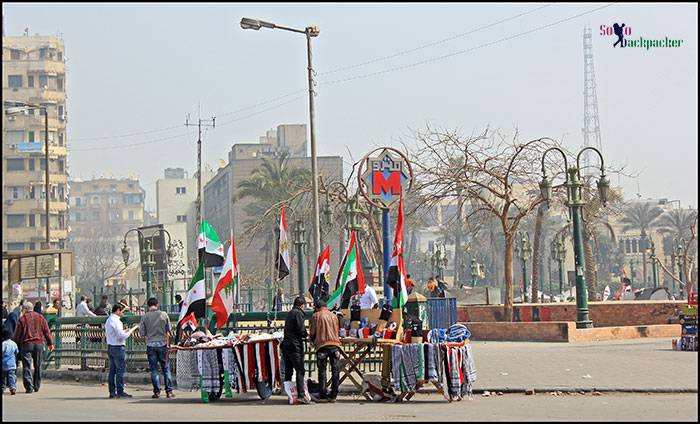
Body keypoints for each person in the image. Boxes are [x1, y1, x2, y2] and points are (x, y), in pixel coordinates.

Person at [13, 302, 54, 393]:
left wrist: (14, 344)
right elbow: (47, 331)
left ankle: (29, 387)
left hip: (26, 344)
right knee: (38, 365)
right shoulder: (41, 317)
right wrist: (50, 343)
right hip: (39, 344)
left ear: (24, 309)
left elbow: (17, 335)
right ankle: (37, 386)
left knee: (27, 366)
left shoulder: (22, 319)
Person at [139, 297, 174, 399]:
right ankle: (169, 392)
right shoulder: (164, 314)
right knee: (166, 369)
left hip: (150, 345)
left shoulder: (145, 317)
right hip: (163, 344)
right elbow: (169, 329)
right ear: (157, 304)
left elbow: (142, 333)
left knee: (154, 370)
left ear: (148, 306)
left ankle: (157, 392)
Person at [309, 299, 341, 403]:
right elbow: (337, 330)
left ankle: (322, 395)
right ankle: (334, 395)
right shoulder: (334, 316)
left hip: (322, 345)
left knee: (322, 371)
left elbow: (312, 332)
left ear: (316, 308)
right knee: (335, 371)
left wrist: (313, 340)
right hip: (335, 345)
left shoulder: (316, 316)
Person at [105, 303, 138, 399]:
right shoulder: (117, 321)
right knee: (120, 371)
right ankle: (120, 391)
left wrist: (124, 331)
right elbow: (121, 337)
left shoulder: (108, 320)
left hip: (111, 346)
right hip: (118, 347)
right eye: (123, 311)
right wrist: (131, 331)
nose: (123, 314)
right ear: (118, 311)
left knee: (112, 371)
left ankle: (112, 392)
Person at [281, 296, 309, 405]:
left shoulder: (290, 313)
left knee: (288, 370)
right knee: (300, 370)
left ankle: (288, 393)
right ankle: (301, 395)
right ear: (302, 305)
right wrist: (306, 335)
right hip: (294, 345)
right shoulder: (298, 313)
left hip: (286, 345)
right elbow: (301, 329)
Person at [3, 328, 19, 395]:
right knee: (11, 376)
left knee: (3, 377)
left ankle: (3, 387)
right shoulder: (14, 343)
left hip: (3, 363)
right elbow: (17, 352)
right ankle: (13, 388)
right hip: (12, 364)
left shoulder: (3, 344)